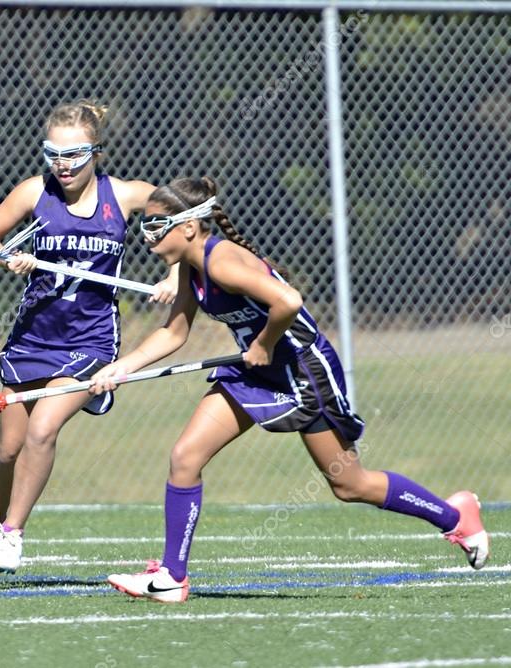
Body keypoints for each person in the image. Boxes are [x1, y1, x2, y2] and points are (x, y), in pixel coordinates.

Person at [91, 176, 490, 603]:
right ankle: (172, 577)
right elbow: (173, 334)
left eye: (157, 226)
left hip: (301, 370)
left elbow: (289, 301)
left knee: (349, 484)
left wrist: (262, 343)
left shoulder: (222, 262)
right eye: (146, 227)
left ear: (188, 227)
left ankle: (455, 515)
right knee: (185, 456)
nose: (148, 236)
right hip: (253, 371)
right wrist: (120, 369)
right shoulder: (191, 269)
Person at [0, 100, 177, 586]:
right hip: (33, 337)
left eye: (74, 155)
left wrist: (175, 270)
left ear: (96, 152)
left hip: (91, 342)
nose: (63, 165)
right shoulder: (33, 192)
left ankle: (14, 533)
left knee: (44, 428)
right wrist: (4, 258)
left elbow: (185, 217)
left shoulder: (122, 197)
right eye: (53, 154)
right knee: (7, 451)